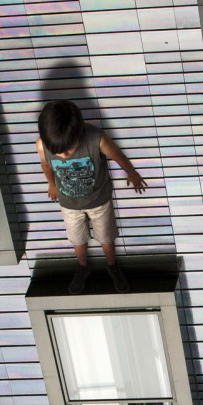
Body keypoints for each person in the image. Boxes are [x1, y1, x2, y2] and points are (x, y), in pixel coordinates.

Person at [36, 100, 148, 293]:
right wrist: (52, 184)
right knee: (77, 239)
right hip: (68, 203)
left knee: (106, 236)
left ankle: (112, 265)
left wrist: (132, 173)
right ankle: (82, 266)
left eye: (69, 149)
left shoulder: (96, 139)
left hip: (98, 201)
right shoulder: (42, 145)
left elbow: (118, 156)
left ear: (78, 132)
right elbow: (46, 165)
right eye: (58, 151)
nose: (64, 155)